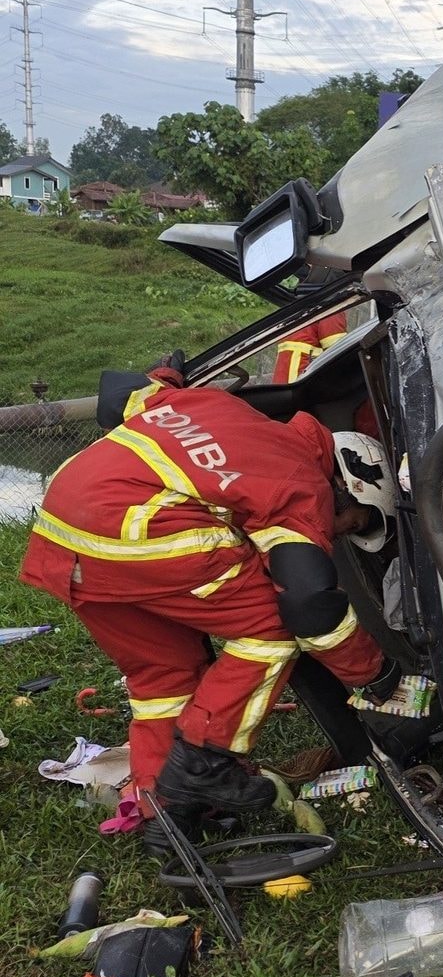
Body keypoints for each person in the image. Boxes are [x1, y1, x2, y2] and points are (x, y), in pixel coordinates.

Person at [19, 364, 402, 855]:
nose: (342, 531)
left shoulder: (216, 405)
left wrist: (167, 375)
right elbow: (311, 608)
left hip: (63, 531)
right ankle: (205, 766)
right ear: (348, 483)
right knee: (272, 628)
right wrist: (375, 673)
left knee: (163, 678)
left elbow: (122, 394)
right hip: (137, 531)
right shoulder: (303, 485)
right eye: (353, 521)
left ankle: (170, 816)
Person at [272, 311, 348, 383]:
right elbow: (339, 354)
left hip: (281, 386)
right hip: (301, 385)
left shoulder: (298, 310)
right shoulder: (331, 310)